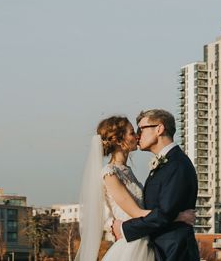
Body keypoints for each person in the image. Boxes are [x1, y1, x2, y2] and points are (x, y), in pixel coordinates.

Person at [75, 116, 194, 261]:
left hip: (144, 240)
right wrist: (178, 216)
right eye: (132, 132)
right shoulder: (110, 174)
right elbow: (137, 212)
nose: (137, 136)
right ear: (119, 140)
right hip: (131, 246)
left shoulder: (127, 171)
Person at [111, 109, 200, 261]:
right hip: (161, 249)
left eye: (141, 129)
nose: (138, 135)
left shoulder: (177, 164)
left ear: (159, 129)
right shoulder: (167, 164)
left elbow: (164, 213)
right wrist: (177, 217)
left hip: (174, 251)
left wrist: (124, 228)